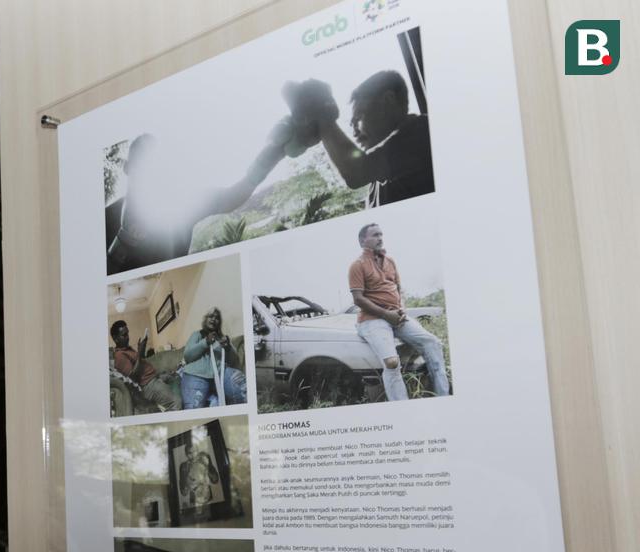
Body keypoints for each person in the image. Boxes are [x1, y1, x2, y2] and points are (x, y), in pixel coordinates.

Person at [105, 128, 291, 275]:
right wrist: (120, 244)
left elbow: (230, 197)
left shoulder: (180, 206)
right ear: (127, 167)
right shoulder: (106, 217)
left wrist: (268, 159)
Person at [295, 70, 435, 208]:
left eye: (359, 118)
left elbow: (356, 174)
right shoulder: (377, 181)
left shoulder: (422, 131)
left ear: (388, 100)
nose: (355, 133)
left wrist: (322, 114)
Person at [349, 223, 450, 401]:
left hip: (396, 316)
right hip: (372, 320)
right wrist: (387, 315)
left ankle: (443, 397)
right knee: (391, 363)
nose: (380, 238)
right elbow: (358, 299)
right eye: (374, 235)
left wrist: (401, 309)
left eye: (381, 234)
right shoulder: (357, 265)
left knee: (433, 343)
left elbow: (398, 288)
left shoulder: (390, 261)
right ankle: (402, 408)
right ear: (362, 240)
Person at [180, 307, 247, 408]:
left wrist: (228, 347)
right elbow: (188, 356)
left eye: (217, 318)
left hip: (220, 373)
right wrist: (205, 342)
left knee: (243, 389)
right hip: (196, 374)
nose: (213, 319)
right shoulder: (197, 334)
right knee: (194, 407)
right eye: (211, 316)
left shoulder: (222, 338)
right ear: (205, 319)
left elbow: (234, 361)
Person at [110, 320, 180, 412]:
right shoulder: (119, 356)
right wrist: (139, 353)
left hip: (154, 378)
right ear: (116, 338)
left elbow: (139, 364)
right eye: (124, 335)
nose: (128, 337)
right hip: (148, 385)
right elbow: (133, 377)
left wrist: (141, 351)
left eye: (127, 333)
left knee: (177, 377)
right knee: (176, 402)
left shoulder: (127, 349)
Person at [178, 442, 218, 508]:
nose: (193, 455)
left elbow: (215, 480)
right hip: (194, 503)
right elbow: (183, 492)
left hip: (209, 499)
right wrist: (187, 478)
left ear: (198, 451)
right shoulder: (183, 466)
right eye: (190, 453)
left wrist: (207, 466)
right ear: (186, 454)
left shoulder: (205, 459)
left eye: (195, 451)